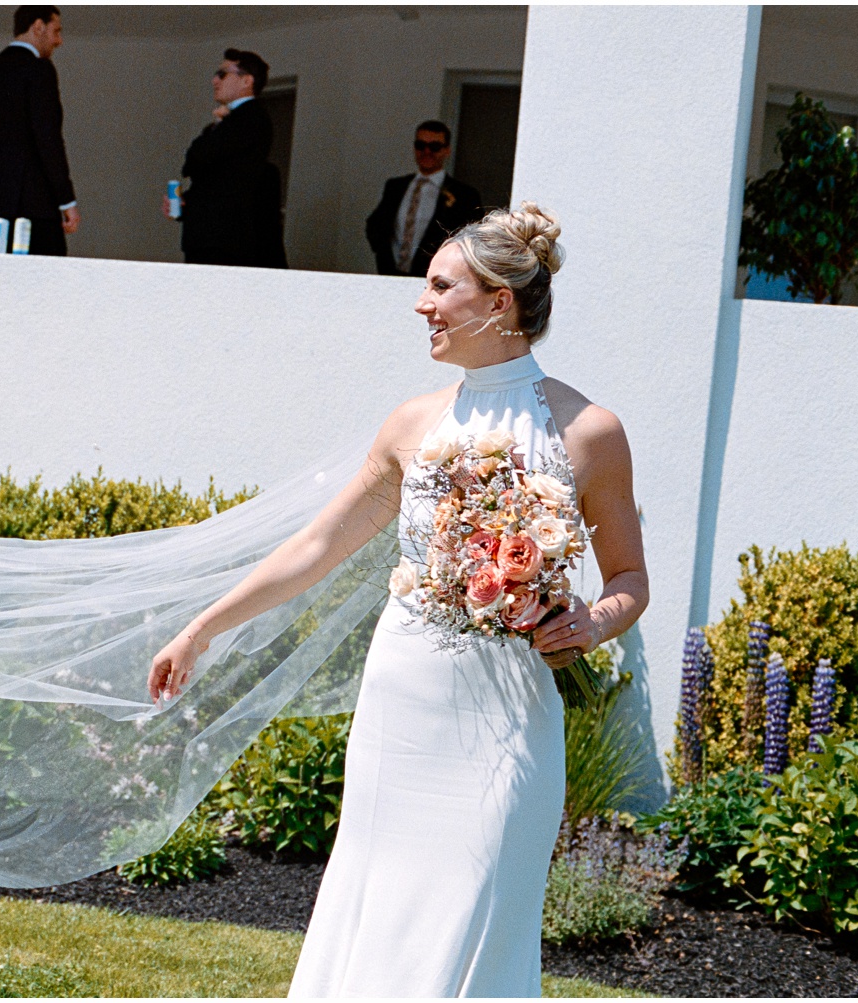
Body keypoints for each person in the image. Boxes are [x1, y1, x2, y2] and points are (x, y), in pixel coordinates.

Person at [148, 204, 649, 995]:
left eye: (441, 287)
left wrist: (590, 623)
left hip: (510, 715)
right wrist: (204, 628)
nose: (422, 304)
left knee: (478, 912)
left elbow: (630, 581)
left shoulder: (589, 431)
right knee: (379, 912)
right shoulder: (413, 424)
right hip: (405, 705)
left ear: (498, 302)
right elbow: (316, 547)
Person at [0, 6, 80, 256]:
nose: (59, 41)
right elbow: (48, 139)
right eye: (56, 31)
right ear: (38, 26)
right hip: (31, 211)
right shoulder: (39, 70)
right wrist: (66, 201)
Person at [167, 49, 287, 268]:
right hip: (214, 239)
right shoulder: (238, 120)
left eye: (222, 74)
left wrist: (217, 126)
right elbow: (215, 175)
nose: (214, 80)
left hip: (224, 242)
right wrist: (187, 205)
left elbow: (198, 158)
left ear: (246, 81)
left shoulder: (250, 117)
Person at [365, 120, 483, 276]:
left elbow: (473, 238)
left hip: (436, 278)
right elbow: (375, 224)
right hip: (390, 273)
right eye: (420, 145)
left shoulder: (464, 194)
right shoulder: (396, 186)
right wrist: (382, 253)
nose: (427, 152)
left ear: (447, 150)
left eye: (434, 147)